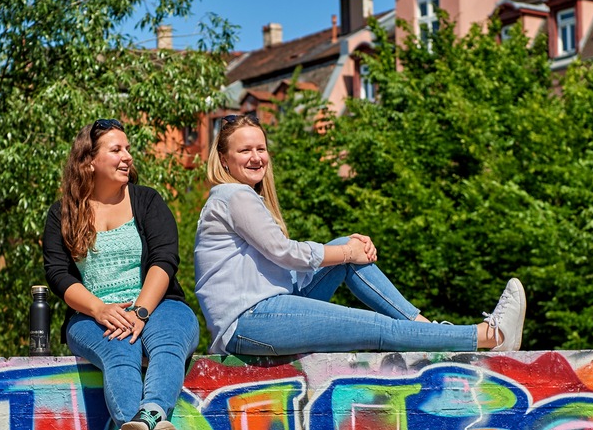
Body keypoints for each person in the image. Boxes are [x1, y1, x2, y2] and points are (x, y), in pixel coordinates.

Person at [194, 112, 526, 357]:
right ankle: (488, 336)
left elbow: (283, 268)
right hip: (249, 321)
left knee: (342, 248)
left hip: (270, 309)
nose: (256, 157)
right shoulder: (232, 195)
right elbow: (285, 252)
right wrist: (348, 254)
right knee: (377, 328)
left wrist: (345, 249)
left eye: (261, 148)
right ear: (223, 158)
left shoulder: (243, 197)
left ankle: (426, 330)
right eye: (245, 151)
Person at [43, 119, 198, 430]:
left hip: (158, 304)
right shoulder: (63, 212)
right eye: (116, 150)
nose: (127, 156)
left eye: (127, 149)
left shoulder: (147, 201)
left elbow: (165, 258)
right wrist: (100, 309)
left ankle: (149, 420)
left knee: (168, 345)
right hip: (92, 315)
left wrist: (141, 311)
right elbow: (58, 275)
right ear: (90, 161)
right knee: (121, 353)